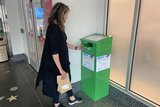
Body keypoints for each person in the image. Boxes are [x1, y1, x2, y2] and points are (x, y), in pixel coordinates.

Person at [35, 2, 83, 107]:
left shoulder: (58, 27)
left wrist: (76, 48)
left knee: (67, 78)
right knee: (56, 82)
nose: (67, 17)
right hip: (56, 64)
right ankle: (56, 104)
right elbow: (54, 51)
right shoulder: (53, 28)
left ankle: (71, 98)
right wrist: (61, 69)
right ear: (61, 14)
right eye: (66, 14)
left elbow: (63, 43)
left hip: (63, 61)